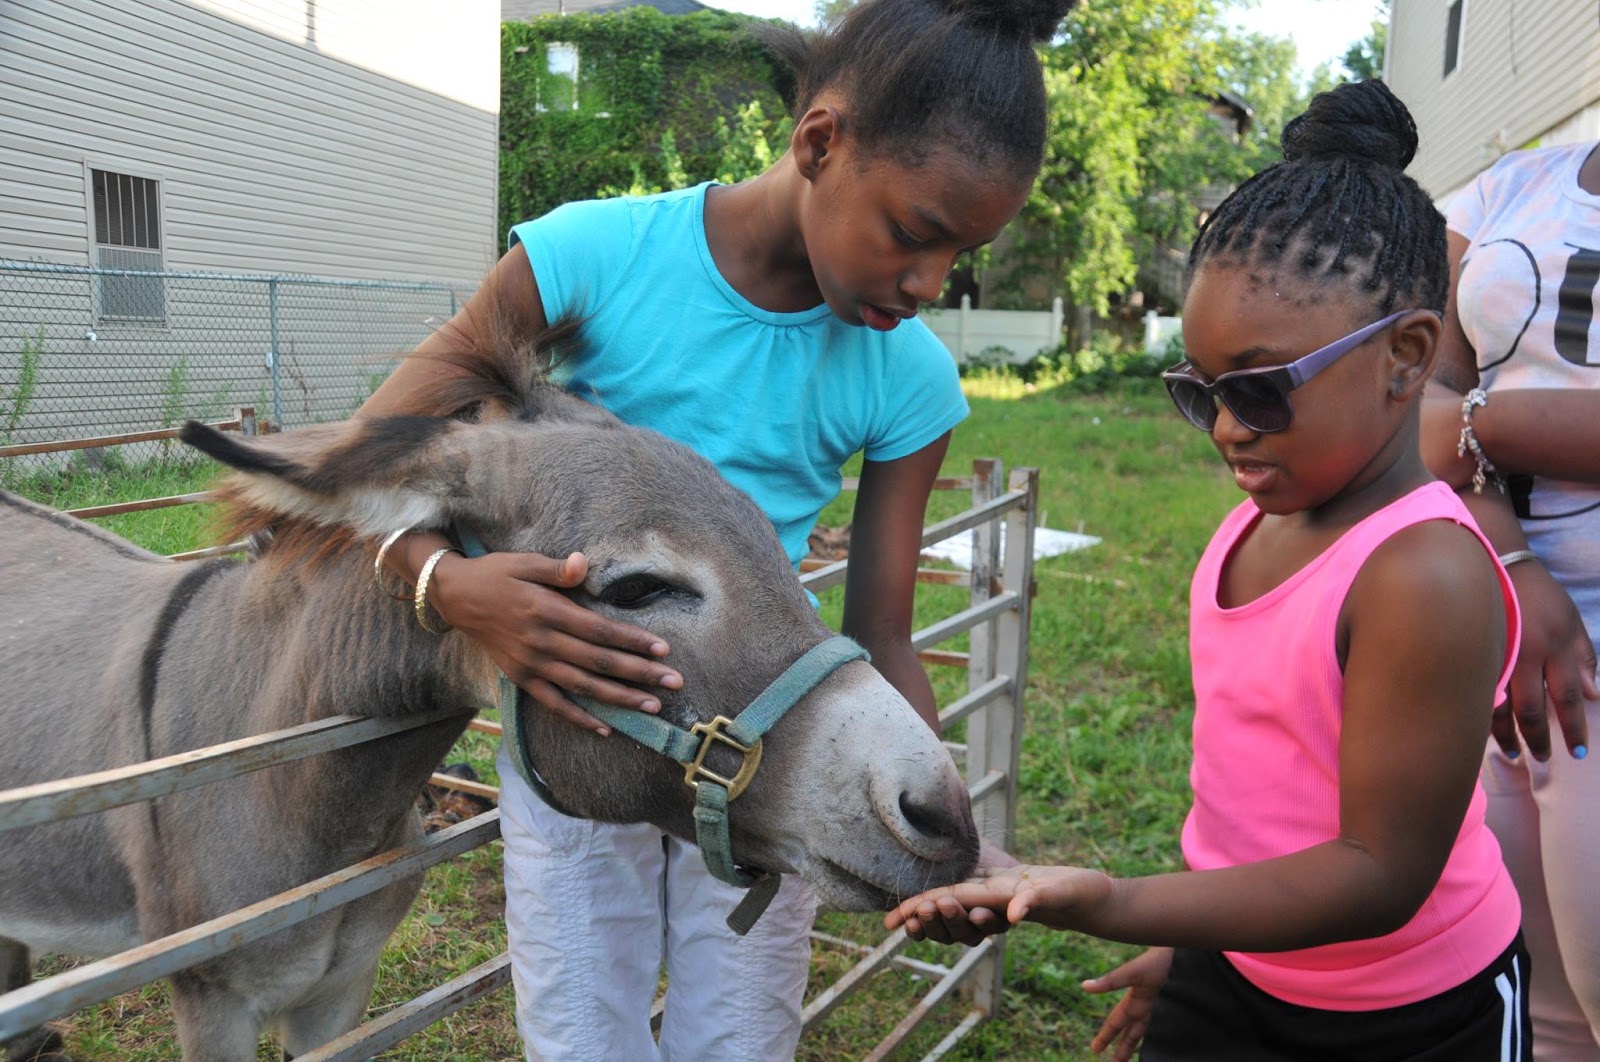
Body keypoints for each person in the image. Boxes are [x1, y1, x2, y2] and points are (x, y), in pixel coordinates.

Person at [358, 0, 1075, 1057]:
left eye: (959, 254)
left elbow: (882, 624)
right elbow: (371, 455)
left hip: (767, 742)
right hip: (576, 720)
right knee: (579, 1033)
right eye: (915, 234)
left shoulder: (908, 372)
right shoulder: (589, 257)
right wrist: (446, 588)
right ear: (819, 142)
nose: (927, 286)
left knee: (741, 1037)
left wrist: (927, 810)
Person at [886, 80, 1533, 1061]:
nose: (1228, 428)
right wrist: (1203, 948)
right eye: (1200, 392)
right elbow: (1253, 794)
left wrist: (1116, 901)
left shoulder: (1423, 575)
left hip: (1404, 1015)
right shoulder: (1252, 528)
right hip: (1238, 964)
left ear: (1406, 354)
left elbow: (1379, 872)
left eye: (1263, 390)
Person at [1417, 137, 1600, 1060]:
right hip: (1502, 628)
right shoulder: (1511, 184)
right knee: (1544, 1009)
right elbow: (1417, 395)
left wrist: (1480, 423)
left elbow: (1446, 415)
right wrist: (1518, 569)